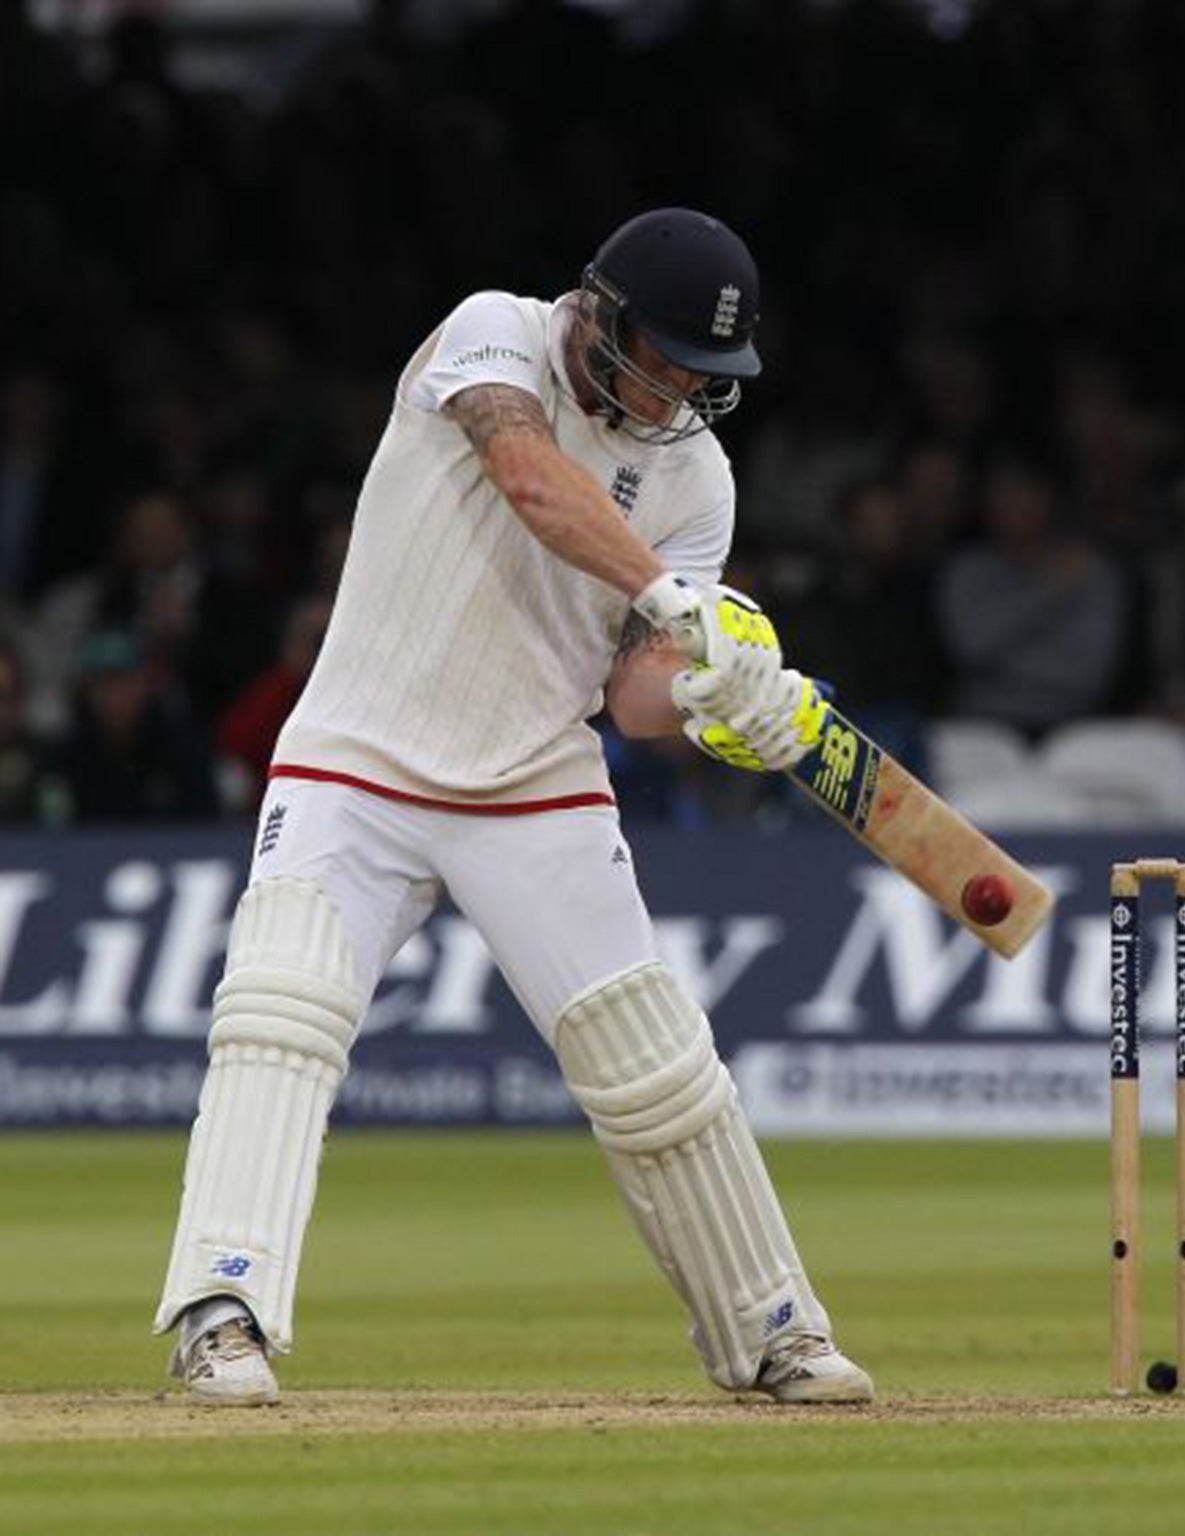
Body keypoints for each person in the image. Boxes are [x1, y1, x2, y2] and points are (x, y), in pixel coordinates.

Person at [153, 207, 872, 1407]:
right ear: (601, 318)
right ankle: (222, 1309)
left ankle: (773, 1332)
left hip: (534, 774)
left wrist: (720, 696)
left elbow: (634, 692)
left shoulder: (695, 475)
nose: (685, 389)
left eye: (709, 372)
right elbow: (529, 477)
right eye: (670, 357)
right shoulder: (495, 334)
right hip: (356, 758)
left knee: (655, 1068)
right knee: (281, 1013)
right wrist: (671, 596)